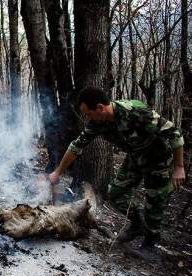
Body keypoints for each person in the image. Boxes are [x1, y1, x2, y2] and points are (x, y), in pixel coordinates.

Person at [48, 87, 185, 247]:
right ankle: (137, 224)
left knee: (154, 202)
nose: (87, 118)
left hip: (158, 158)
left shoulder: (134, 112)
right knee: (115, 194)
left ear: (100, 108)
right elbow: (76, 146)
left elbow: (175, 133)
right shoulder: (98, 122)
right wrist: (58, 172)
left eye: (88, 113)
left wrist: (179, 167)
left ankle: (150, 243)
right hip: (135, 157)